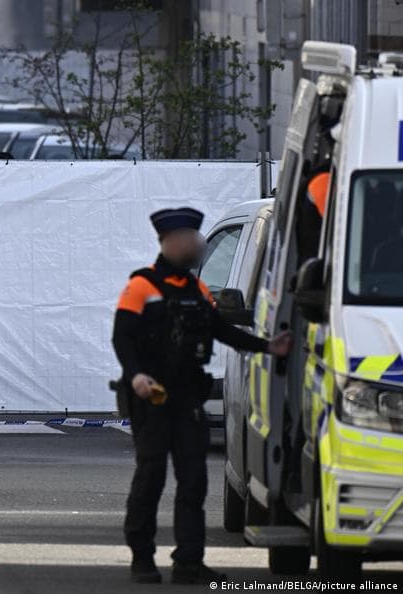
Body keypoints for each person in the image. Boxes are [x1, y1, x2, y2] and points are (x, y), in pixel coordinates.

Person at [113, 207, 292, 585]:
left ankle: (189, 561)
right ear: (172, 242)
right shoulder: (141, 286)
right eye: (191, 238)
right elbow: (122, 337)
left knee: (194, 482)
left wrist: (267, 347)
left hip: (187, 400)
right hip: (153, 398)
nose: (197, 244)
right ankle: (142, 558)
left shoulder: (198, 291)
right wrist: (136, 376)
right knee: (151, 478)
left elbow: (223, 331)